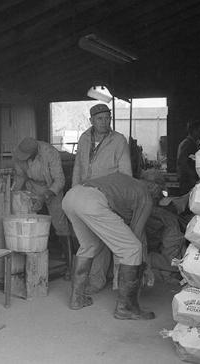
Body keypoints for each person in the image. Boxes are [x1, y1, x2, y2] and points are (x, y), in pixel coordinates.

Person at [62, 172, 155, 320]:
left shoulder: (126, 183)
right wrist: (144, 266)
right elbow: (135, 236)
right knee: (132, 249)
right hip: (91, 201)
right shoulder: (145, 196)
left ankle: (76, 298)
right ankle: (126, 308)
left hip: (71, 196)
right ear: (155, 188)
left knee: (89, 245)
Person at [71, 103, 133, 293]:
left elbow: (125, 171)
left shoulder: (119, 140)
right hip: (85, 197)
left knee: (114, 239)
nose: (104, 122)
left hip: (109, 195)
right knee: (92, 239)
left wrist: (122, 198)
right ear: (91, 120)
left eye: (107, 118)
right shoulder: (84, 139)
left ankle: (117, 284)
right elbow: (78, 168)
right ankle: (96, 280)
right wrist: (74, 192)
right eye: (100, 119)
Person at [11, 137, 72, 274]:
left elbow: (59, 180)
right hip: (32, 186)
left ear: (35, 152)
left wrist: (44, 197)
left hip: (51, 188)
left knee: (59, 224)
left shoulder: (50, 153)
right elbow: (20, 177)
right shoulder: (19, 153)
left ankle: (69, 264)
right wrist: (14, 195)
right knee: (29, 220)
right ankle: (31, 263)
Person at [176, 121, 200, 195]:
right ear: (194, 130)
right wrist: (193, 178)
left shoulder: (191, 143)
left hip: (188, 179)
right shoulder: (188, 144)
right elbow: (183, 163)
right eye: (199, 130)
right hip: (188, 180)